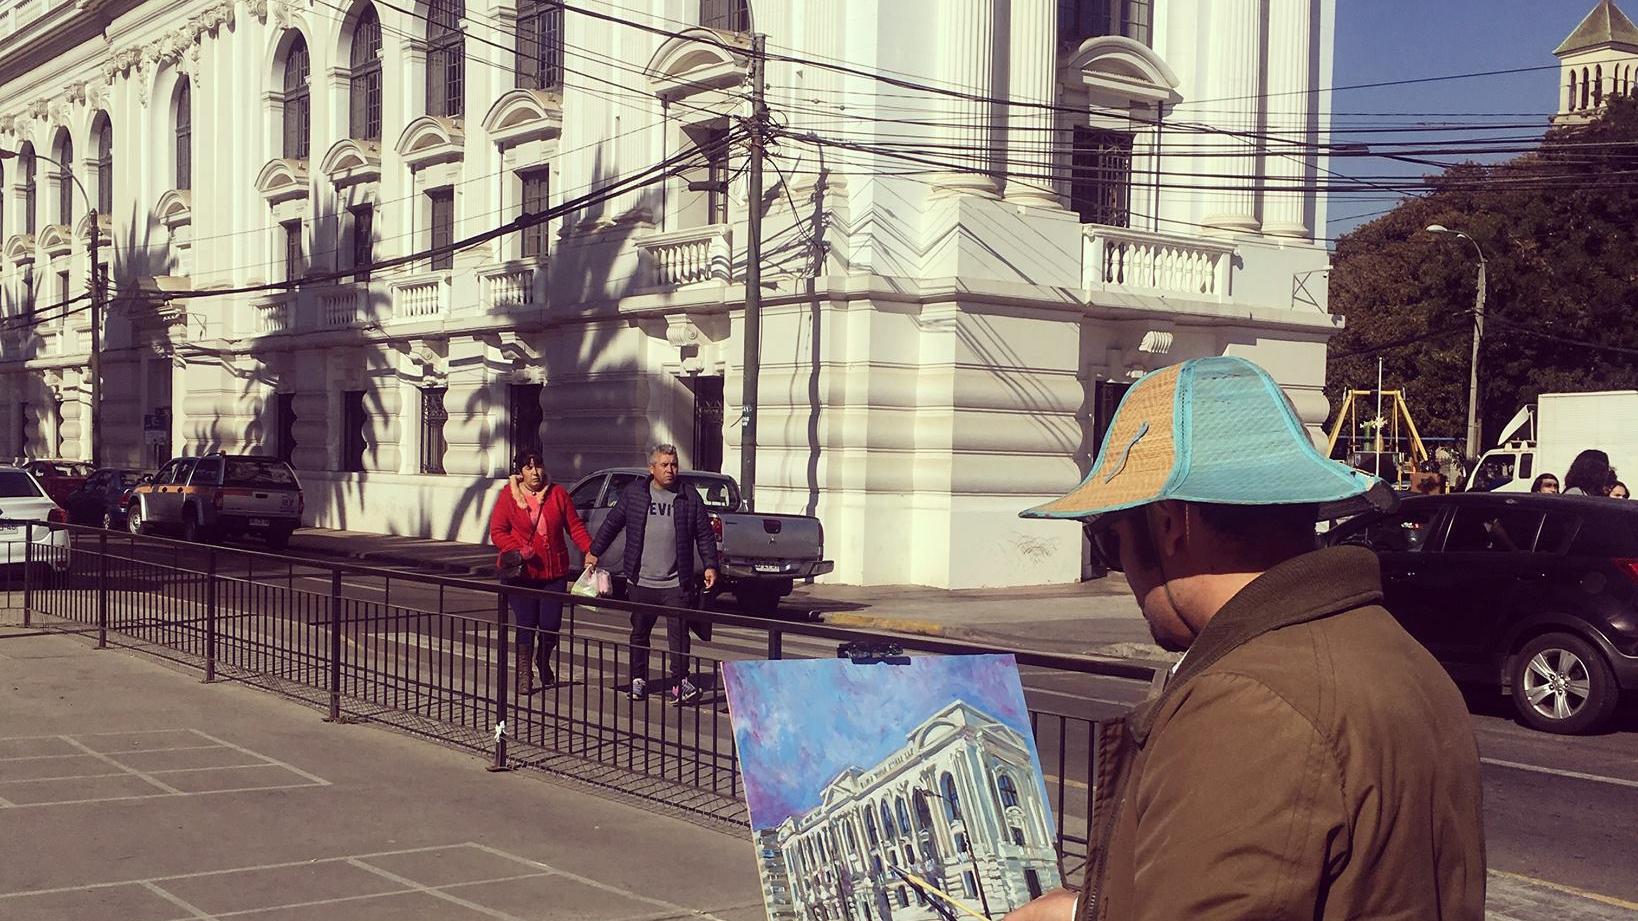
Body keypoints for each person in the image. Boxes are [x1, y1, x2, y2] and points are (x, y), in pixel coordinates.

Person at [1007, 356, 1485, 921]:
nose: (1122, 572)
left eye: (1110, 540)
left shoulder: (1246, 704)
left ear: (1169, 524)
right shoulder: (1397, 653)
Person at [585, 444, 719, 704]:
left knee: (679, 635)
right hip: (641, 579)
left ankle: (680, 683)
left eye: (674, 464)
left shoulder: (689, 496)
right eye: (665, 465)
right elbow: (612, 522)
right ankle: (638, 680)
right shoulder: (635, 494)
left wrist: (711, 565)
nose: (670, 470)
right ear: (652, 468)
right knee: (639, 632)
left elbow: (704, 534)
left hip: (675, 582)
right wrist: (594, 551)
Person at [488, 451, 592, 696]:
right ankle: (524, 675)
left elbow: (574, 526)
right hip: (522, 574)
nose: (535, 473)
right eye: (528, 468)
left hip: (553, 572)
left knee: (550, 624)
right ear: (520, 472)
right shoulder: (508, 497)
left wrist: (590, 549)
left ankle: (543, 659)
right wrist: (517, 549)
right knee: (526, 623)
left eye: (538, 466)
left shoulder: (557, 494)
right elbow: (497, 531)